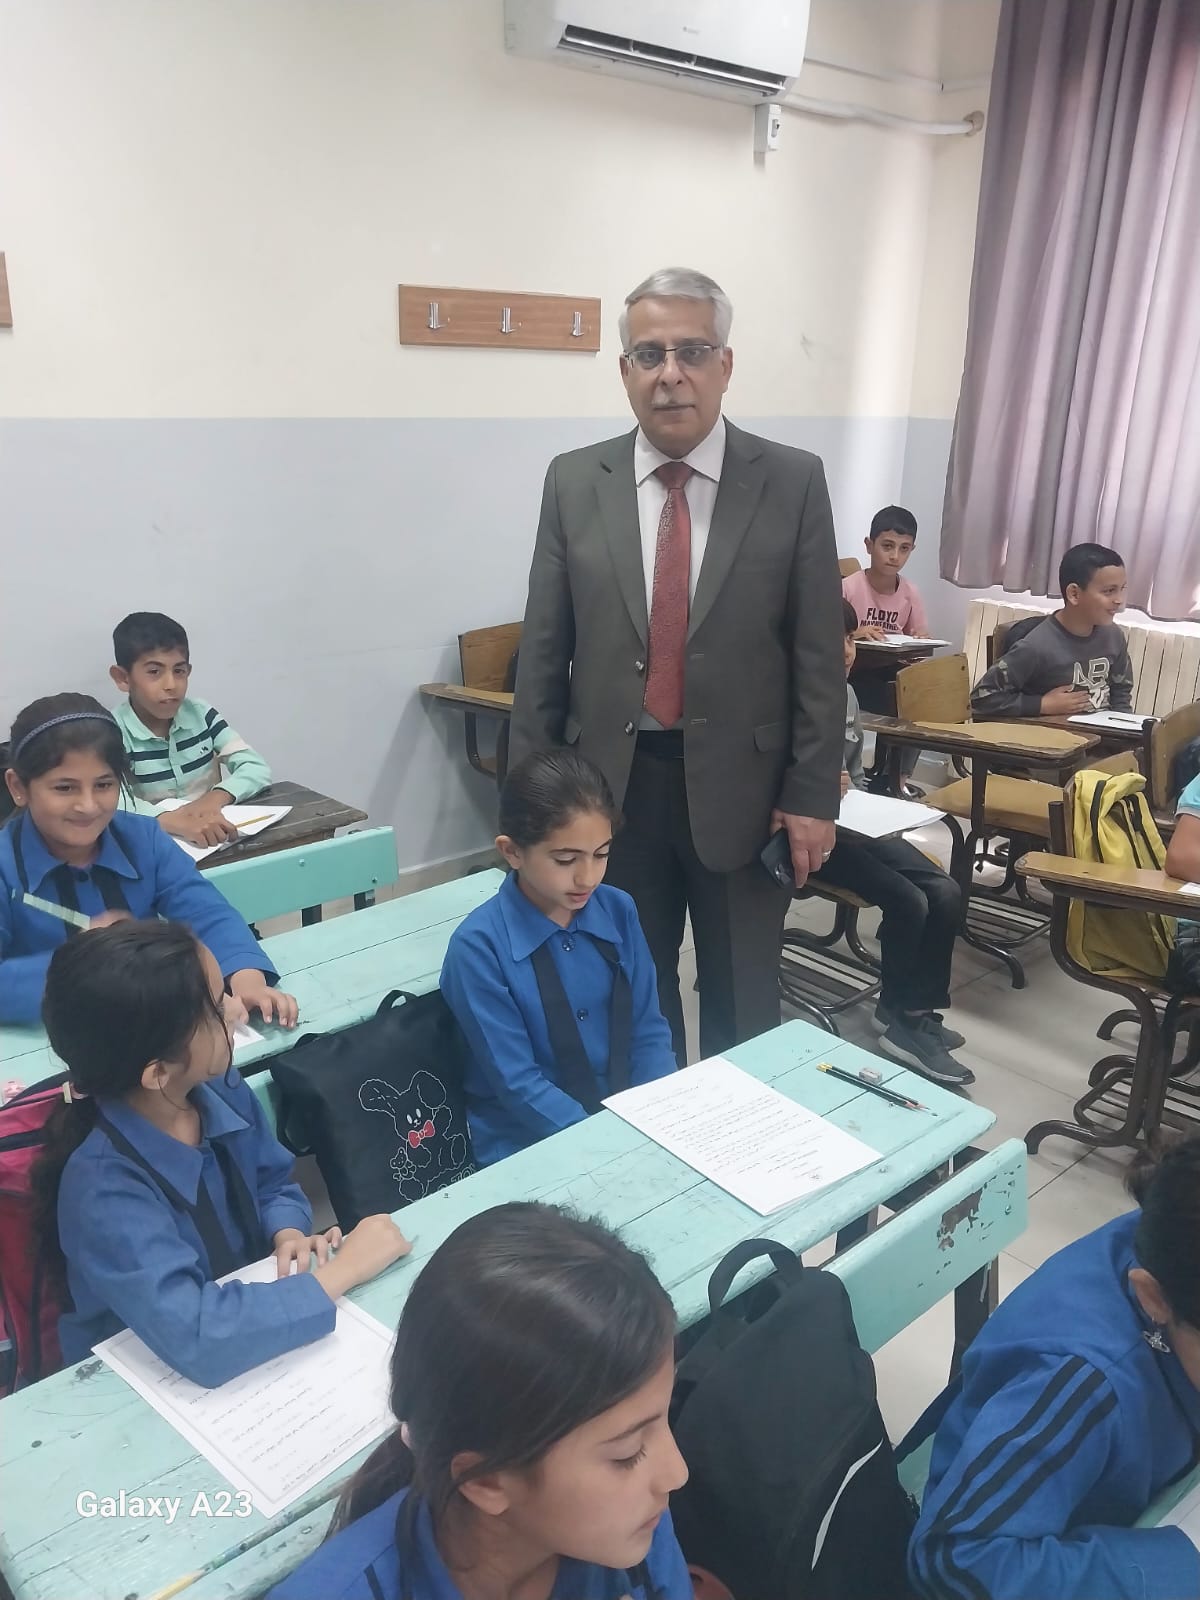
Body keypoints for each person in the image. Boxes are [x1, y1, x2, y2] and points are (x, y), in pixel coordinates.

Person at [510, 266, 845, 1065]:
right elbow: (545, 651)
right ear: (624, 370)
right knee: (628, 993)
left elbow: (817, 657)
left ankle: (741, 1131)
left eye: (692, 351)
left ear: (725, 364)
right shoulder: (573, 481)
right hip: (608, 795)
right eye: (649, 354)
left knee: (742, 997)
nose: (671, 374)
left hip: (748, 794)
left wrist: (810, 795)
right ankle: (651, 1126)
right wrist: (527, 810)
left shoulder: (791, 480)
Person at [31, 920, 410, 1386]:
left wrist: (287, 1232)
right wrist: (344, 1271)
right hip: (134, 1381)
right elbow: (198, 1336)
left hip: (245, 1313)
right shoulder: (103, 1190)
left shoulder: (218, 1088)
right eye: (216, 1005)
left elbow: (272, 1181)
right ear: (157, 1073)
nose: (235, 1008)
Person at [266, 1201, 692, 1600]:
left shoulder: (631, 1526)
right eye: (627, 1454)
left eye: (664, 1418)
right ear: (486, 1481)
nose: (676, 1473)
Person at [909, 1136, 1200, 1599]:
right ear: (1153, 1298)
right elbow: (954, 1557)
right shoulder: (1084, 1380)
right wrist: (1181, 1568)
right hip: (1014, 1517)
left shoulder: (1174, 1238)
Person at [440, 749, 676, 1166]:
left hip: (629, 1122)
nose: (588, 877)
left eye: (601, 854)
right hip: (529, 1138)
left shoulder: (619, 910)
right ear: (512, 851)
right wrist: (604, 1147)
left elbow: (648, 1031)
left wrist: (659, 1115)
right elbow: (517, 1083)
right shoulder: (478, 948)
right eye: (565, 860)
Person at [0, 693, 294, 1026]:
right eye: (64, 788)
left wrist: (247, 980)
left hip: (154, 1028)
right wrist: (84, 967)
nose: (88, 806)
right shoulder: (5, 867)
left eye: (104, 784)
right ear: (18, 786)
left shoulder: (144, 839)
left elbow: (206, 912)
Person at [813, 602, 972, 1087]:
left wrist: (872, 807)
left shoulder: (845, 695)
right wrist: (815, 788)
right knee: (909, 900)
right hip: (808, 835)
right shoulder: (781, 700)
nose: (845, 652)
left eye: (849, 639)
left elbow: (855, 779)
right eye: (831, 642)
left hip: (852, 825)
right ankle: (905, 1024)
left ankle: (909, 1011)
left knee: (945, 890)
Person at [111, 610, 271, 849]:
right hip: (154, 844)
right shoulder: (113, 732)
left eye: (179, 671)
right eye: (154, 672)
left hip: (213, 837)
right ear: (123, 678)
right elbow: (112, 800)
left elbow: (256, 767)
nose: (171, 685)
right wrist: (172, 821)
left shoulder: (201, 714)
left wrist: (213, 799)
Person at [971, 544, 1133, 719]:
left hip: (1106, 732)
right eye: (1109, 591)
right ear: (1074, 594)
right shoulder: (1036, 646)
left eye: (1122, 589)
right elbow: (980, 700)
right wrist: (1042, 704)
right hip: (1057, 734)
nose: (1119, 600)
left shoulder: (1113, 635)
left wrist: (1123, 727)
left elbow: (1121, 693)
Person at [842, 505, 930, 643]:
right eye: (887, 546)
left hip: (896, 657)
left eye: (904, 548)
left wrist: (921, 638)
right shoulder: (847, 588)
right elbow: (829, 637)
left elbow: (917, 639)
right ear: (869, 545)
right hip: (856, 656)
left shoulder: (911, 592)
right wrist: (854, 634)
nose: (895, 556)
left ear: (912, 549)